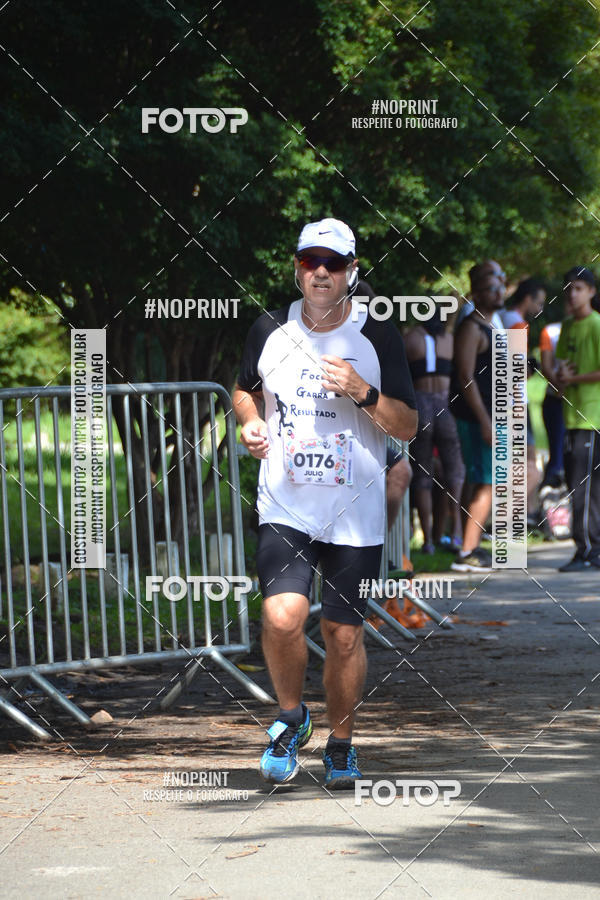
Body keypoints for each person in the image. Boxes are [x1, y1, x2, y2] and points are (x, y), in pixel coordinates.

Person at [232, 218, 417, 787]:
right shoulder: (270, 327)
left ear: (351, 273)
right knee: (281, 616)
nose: (319, 272)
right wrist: (251, 422)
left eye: (332, 264)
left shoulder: (377, 335)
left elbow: (407, 425)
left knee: (343, 635)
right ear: (296, 267)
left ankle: (341, 743)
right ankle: (291, 719)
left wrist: (362, 392)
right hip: (287, 503)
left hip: (356, 512)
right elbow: (242, 389)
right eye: (310, 261)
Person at [449, 263, 506, 572]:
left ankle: (469, 545)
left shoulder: (491, 324)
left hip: (489, 412)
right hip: (476, 416)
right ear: (475, 293)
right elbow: (465, 377)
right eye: (490, 287)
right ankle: (468, 550)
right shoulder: (471, 327)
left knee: (479, 480)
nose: (498, 291)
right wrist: (485, 420)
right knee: (488, 482)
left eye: (500, 285)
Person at [403, 310, 465, 553]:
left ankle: (428, 540)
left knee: (423, 473)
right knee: (455, 471)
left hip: (420, 406)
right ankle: (456, 532)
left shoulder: (410, 338)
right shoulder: (449, 338)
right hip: (443, 405)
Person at [555, 266, 600, 571]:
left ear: (592, 292)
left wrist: (573, 380)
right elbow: (562, 369)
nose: (573, 293)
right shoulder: (569, 325)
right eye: (569, 288)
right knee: (583, 485)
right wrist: (561, 378)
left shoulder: (596, 325)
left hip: (591, 417)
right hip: (571, 415)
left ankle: (585, 550)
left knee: (583, 486)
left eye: (579, 288)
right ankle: (592, 549)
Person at [500, 278, 546, 522]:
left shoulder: (501, 319)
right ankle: (509, 515)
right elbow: (517, 369)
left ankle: (524, 514)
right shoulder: (518, 324)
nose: (540, 309)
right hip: (515, 401)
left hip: (506, 400)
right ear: (527, 299)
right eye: (539, 303)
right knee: (528, 464)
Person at [455, 260, 506, 330]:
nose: (501, 279)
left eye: (502, 274)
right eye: (494, 274)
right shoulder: (471, 325)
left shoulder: (493, 317)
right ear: (476, 295)